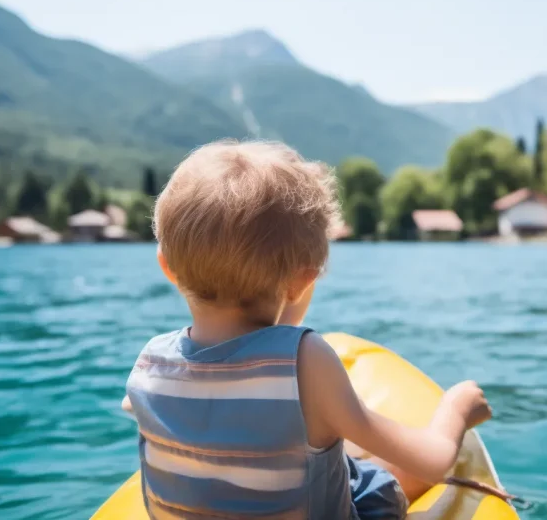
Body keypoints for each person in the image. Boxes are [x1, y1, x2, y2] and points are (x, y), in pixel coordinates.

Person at [122, 140, 492, 519]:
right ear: (302, 280)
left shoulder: (150, 363)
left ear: (167, 267)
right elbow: (432, 461)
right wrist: (457, 409)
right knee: (374, 483)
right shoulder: (305, 361)